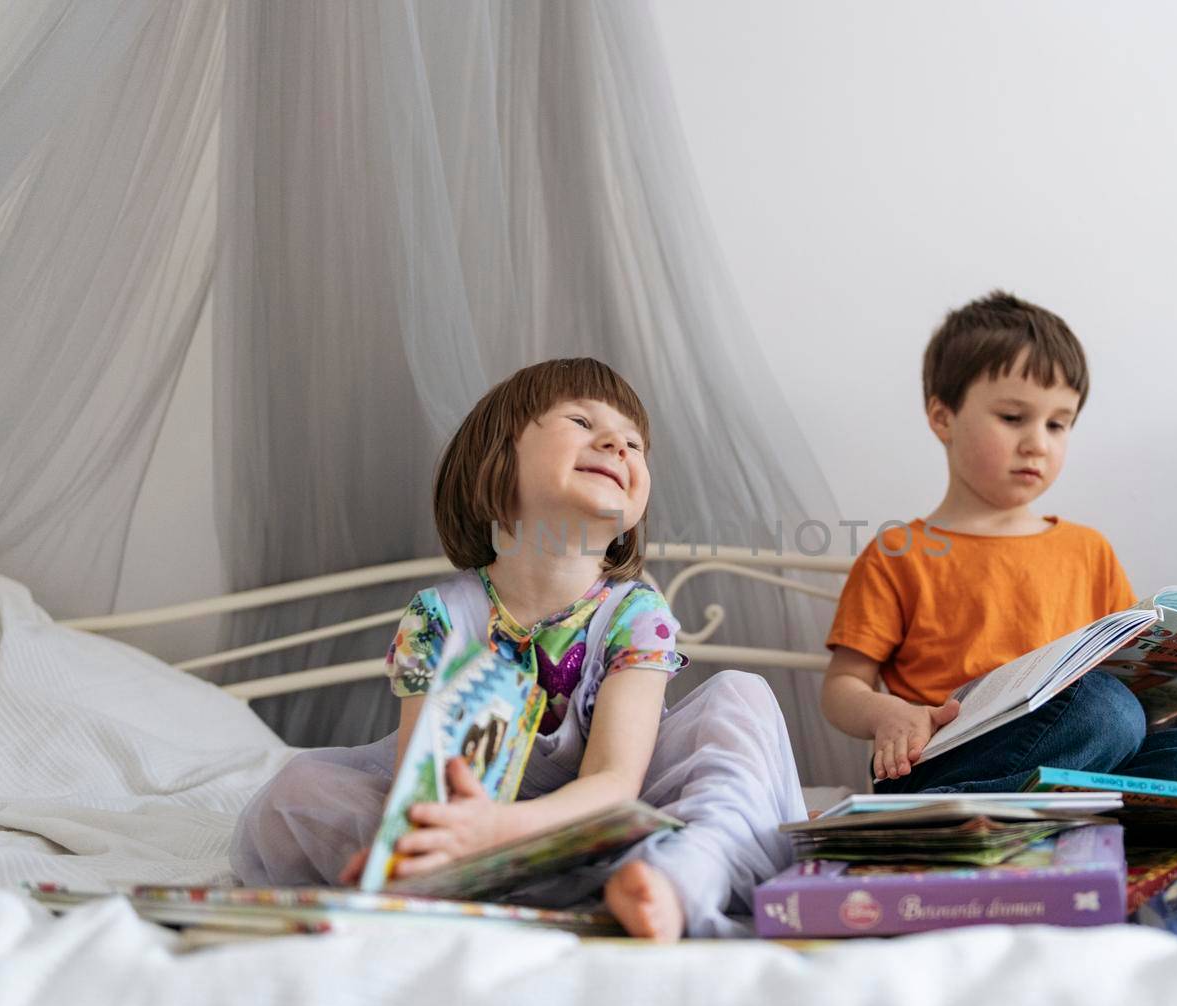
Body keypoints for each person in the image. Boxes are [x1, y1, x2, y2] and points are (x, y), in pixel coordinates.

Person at [231, 358, 805, 939]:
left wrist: (499, 829)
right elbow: (427, 790)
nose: (617, 444)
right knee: (300, 791)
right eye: (582, 421)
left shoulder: (637, 616)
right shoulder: (439, 617)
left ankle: (676, 883)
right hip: (474, 830)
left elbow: (615, 782)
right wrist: (448, 835)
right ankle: (457, 878)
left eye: (635, 444)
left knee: (741, 699)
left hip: (616, 818)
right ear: (497, 462)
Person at [819, 291, 1177, 794]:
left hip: (1077, 754)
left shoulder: (1089, 550)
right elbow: (841, 687)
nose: (1038, 444)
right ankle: (938, 810)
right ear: (943, 418)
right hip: (947, 755)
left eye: (1057, 424)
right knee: (1105, 709)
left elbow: (1130, 684)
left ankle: (1035, 820)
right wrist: (888, 715)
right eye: (1012, 418)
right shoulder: (899, 553)